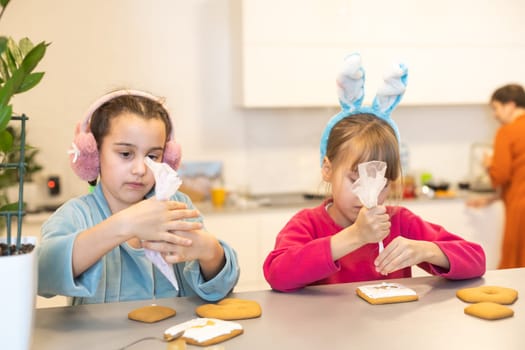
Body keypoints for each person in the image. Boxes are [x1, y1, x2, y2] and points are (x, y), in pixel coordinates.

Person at [263, 53, 486, 292]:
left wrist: (426, 250)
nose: (365, 195)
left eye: (381, 184)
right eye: (354, 179)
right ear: (327, 169)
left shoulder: (400, 222)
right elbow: (277, 273)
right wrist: (355, 236)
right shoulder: (308, 225)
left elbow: (476, 259)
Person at [38, 89, 239, 304]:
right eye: (125, 154)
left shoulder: (177, 206)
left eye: (153, 156)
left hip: (174, 335)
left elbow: (222, 287)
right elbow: (42, 276)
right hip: (103, 339)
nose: (140, 169)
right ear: (94, 154)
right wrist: (123, 225)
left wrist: (210, 252)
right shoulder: (75, 215)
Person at [467, 84, 525, 269]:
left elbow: (500, 176)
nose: (495, 115)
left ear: (510, 105)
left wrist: (489, 164)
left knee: (515, 261)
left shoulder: (507, 131)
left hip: (520, 208)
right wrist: (492, 199)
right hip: (516, 197)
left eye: (496, 108)